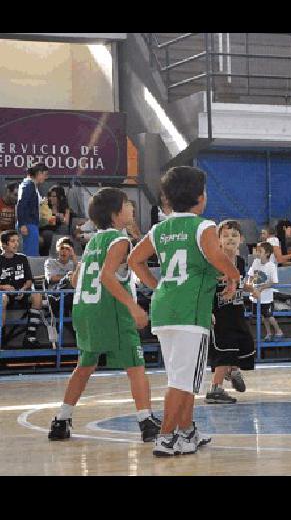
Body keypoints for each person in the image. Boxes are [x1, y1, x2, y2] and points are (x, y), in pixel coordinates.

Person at [129, 166, 240, 457]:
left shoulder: (159, 228)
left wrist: (157, 286)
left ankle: (186, 431)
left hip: (166, 307)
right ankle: (165, 437)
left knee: (185, 374)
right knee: (181, 379)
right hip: (189, 312)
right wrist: (233, 275)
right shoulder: (203, 226)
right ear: (201, 197)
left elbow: (134, 260)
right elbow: (216, 257)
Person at [47, 188, 161, 442]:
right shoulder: (119, 241)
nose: (132, 208)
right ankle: (146, 421)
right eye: (128, 204)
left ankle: (61, 420)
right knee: (135, 364)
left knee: (84, 365)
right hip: (111, 310)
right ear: (116, 213)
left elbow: (76, 280)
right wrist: (133, 307)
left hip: (84, 310)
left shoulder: (92, 244)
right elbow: (107, 276)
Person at [205, 220, 256, 404]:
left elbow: (240, 283)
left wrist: (250, 288)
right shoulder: (213, 262)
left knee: (244, 344)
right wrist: (208, 311)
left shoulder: (241, 262)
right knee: (225, 349)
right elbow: (207, 289)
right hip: (220, 313)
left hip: (237, 311)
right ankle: (215, 389)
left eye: (234, 235)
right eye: (225, 235)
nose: (230, 238)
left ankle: (234, 370)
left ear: (241, 239)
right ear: (218, 240)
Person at [0, 229, 43, 347]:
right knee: (2, 299)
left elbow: (29, 280)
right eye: (12, 241)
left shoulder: (22, 258)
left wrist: (24, 289)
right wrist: (4, 287)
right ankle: (1, 337)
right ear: (4, 244)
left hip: (22, 292)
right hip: (4, 294)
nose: (16, 244)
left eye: (17, 241)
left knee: (37, 296)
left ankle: (30, 337)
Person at [246, 241, 283, 340]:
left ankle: (278, 330)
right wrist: (250, 287)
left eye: (260, 251)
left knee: (269, 316)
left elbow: (274, 282)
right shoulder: (255, 262)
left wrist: (262, 288)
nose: (257, 253)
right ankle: (269, 333)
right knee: (263, 317)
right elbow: (250, 275)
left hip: (266, 297)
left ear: (267, 253)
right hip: (257, 296)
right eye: (257, 251)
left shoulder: (271, 266)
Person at [15, 162, 48, 257]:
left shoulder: (31, 185)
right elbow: (21, 204)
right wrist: (22, 224)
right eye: (44, 174)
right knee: (31, 255)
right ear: (38, 173)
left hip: (30, 223)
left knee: (31, 254)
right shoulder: (28, 185)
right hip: (28, 223)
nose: (45, 178)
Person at [40, 185, 72, 256]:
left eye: (54, 196)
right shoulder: (46, 206)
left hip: (58, 231)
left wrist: (61, 218)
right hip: (46, 230)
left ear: (60, 197)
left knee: (63, 228)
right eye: (50, 196)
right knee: (47, 233)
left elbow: (66, 222)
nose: (51, 198)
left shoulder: (65, 209)